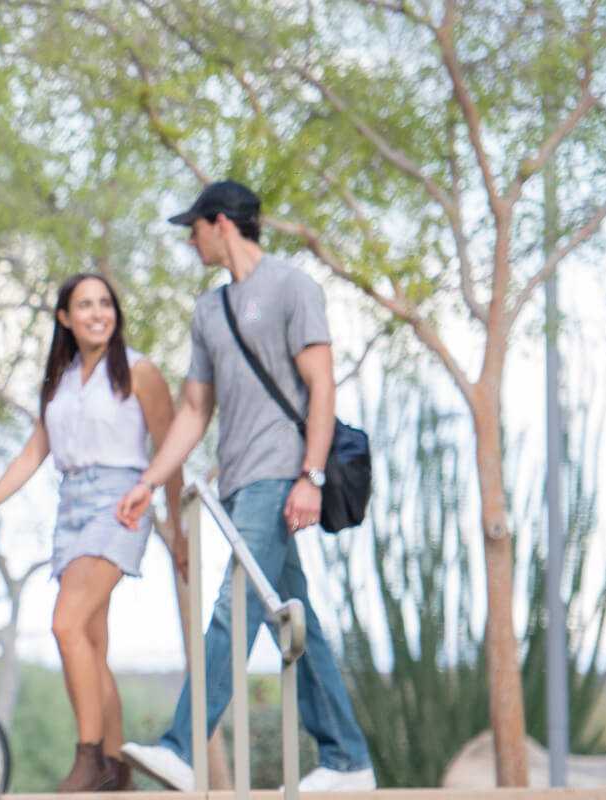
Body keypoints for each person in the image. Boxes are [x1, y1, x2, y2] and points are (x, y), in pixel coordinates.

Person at [114, 180, 375, 791]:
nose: (191, 240)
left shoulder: (292, 287)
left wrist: (310, 476)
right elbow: (194, 409)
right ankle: (348, 758)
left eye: (194, 228)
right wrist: (150, 481)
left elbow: (322, 387)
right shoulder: (209, 311)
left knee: (233, 611)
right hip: (236, 486)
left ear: (221, 223)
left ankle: (183, 745)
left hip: (280, 477)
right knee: (293, 619)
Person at [0, 273, 184, 792]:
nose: (98, 313)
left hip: (123, 500)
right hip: (71, 504)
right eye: (85, 305)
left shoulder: (140, 372)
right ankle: (117, 768)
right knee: (89, 643)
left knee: (64, 624)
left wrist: (179, 530)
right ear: (65, 317)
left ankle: (88, 759)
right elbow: (34, 453)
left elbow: (171, 453)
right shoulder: (58, 382)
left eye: (106, 303)